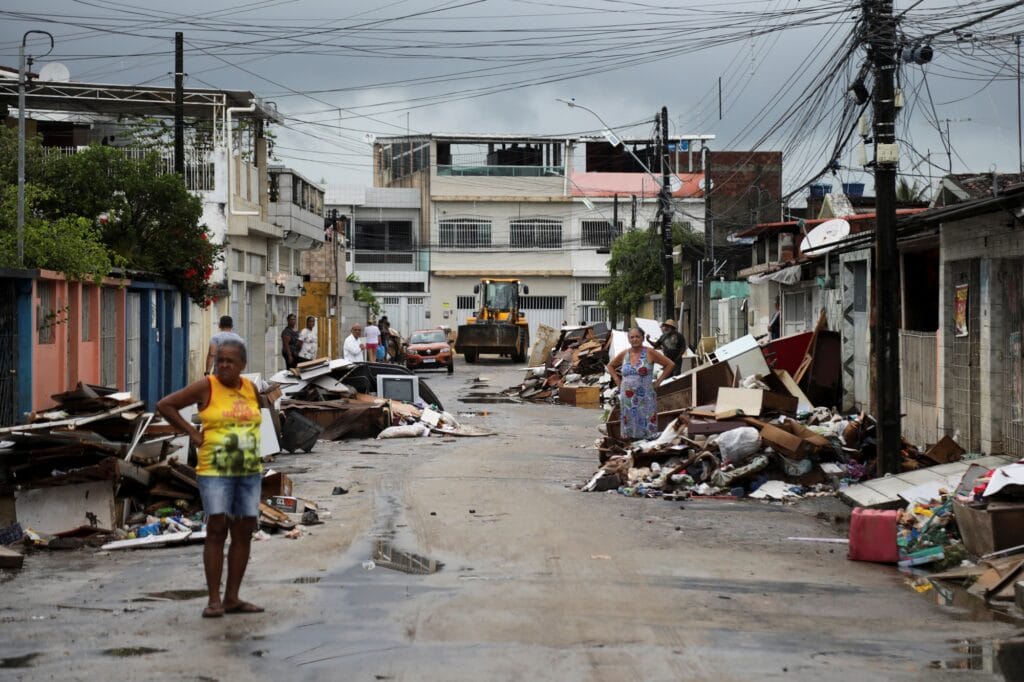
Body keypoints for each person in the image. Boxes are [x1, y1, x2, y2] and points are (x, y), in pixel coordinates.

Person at [156, 339, 263, 618]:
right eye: (220, 360)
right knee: (217, 528)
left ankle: (232, 598)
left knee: (243, 532)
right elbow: (165, 405)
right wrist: (192, 434)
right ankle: (214, 600)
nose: (223, 365)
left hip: (248, 471)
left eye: (230, 360)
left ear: (243, 365)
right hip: (215, 471)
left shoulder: (251, 388)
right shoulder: (207, 387)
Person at [606, 327, 674, 441]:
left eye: (637, 337)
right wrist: (617, 380)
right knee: (629, 425)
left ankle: (646, 449)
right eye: (631, 337)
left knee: (646, 426)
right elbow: (610, 366)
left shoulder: (650, 352)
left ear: (643, 338)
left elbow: (670, 364)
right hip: (627, 398)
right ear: (628, 339)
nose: (634, 339)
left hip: (645, 397)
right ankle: (631, 448)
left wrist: (658, 381)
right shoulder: (624, 354)